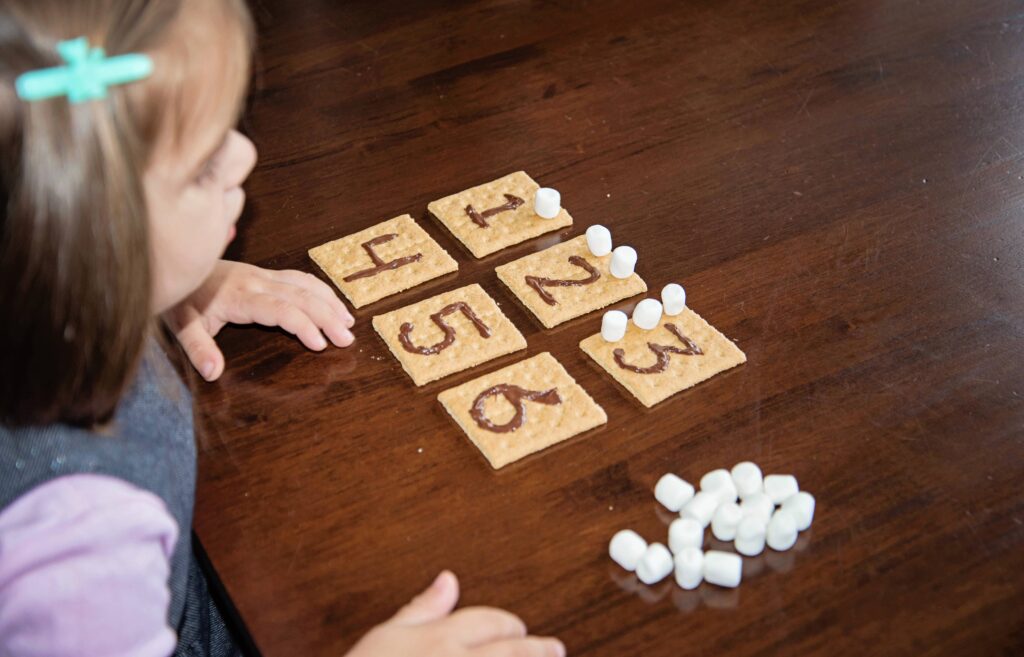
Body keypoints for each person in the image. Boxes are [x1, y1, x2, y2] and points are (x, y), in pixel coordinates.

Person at [0, 1, 566, 656]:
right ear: (97, 240)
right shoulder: (78, 561)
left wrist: (168, 282)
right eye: (205, 165)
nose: (245, 157)